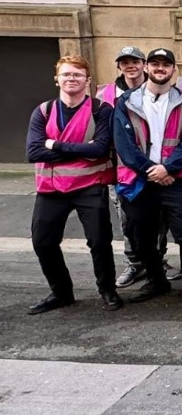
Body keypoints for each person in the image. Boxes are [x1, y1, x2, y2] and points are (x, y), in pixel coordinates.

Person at [112, 48, 182, 308]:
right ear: (146, 67)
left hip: (175, 179)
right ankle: (157, 279)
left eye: (165, 65)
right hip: (140, 180)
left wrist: (167, 169)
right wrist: (151, 171)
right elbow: (124, 145)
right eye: (155, 64)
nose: (160, 68)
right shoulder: (126, 102)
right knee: (140, 234)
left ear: (173, 70)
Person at [26, 55, 121, 314]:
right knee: (43, 242)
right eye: (66, 74)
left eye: (78, 75)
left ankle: (107, 289)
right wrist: (82, 150)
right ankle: (61, 292)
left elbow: (101, 148)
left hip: (90, 186)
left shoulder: (101, 110)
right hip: (51, 189)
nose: (72, 79)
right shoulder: (43, 111)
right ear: (57, 79)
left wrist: (54, 144)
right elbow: (33, 152)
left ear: (88, 80)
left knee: (100, 241)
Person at [99, 46, 169, 289]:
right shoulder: (106, 94)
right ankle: (134, 262)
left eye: (135, 61)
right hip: (123, 171)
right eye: (125, 62)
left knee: (156, 220)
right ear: (119, 66)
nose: (131, 66)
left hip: (156, 171)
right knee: (128, 221)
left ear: (144, 65)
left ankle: (157, 263)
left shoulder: (156, 92)